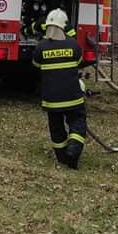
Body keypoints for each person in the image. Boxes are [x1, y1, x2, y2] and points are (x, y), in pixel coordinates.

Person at [31, 9, 92, 169]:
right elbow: (79, 62)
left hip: (51, 100)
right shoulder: (73, 44)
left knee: (56, 128)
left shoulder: (41, 47)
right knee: (77, 122)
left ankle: (62, 157)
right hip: (73, 97)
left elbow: (36, 65)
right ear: (63, 26)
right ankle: (73, 151)